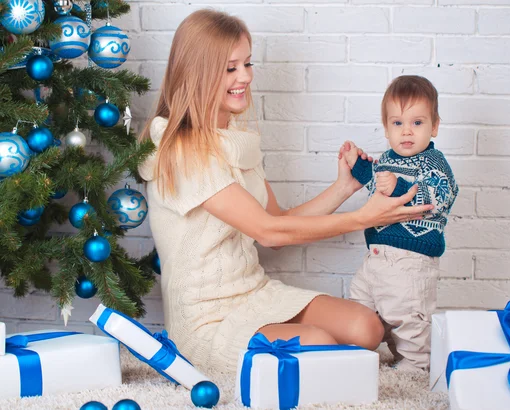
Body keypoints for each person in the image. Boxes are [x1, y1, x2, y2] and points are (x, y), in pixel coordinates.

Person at [138, 10, 433, 376]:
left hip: (252, 293)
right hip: (207, 320)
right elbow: (268, 232)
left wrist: (343, 187)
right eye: (230, 68)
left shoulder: (234, 144)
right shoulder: (182, 150)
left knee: (368, 327)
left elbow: (276, 223)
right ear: (198, 73)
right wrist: (364, 218)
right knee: (318, 344)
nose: (244, 77)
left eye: (247, 63)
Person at [341, 75, 459, 372]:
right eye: (397, 123)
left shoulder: (433, 162)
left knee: (407, 316)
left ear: (434, 126)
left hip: (410, 260)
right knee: (358, 304)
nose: (407, 131)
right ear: (386, 128)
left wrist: (397, 186)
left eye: (417, 123)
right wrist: (358, 164)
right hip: (375, 259)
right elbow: (373, 182)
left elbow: (438, 197)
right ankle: (356, 353)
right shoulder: (387, 159)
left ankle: (415, 366)